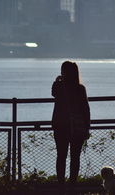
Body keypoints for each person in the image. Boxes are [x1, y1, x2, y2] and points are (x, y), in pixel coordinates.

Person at [51, 61, 91, 189]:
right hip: (78, 127)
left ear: (63, 72)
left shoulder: (59, 87)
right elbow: (86, 109)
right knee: (75, 158)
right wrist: (87, 127)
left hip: (60, 126)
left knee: (61, 156)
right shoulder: (80, 88)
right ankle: (72, 184)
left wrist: (57, 80)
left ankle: (61, 184)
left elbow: (53, 93)